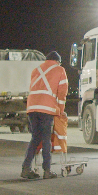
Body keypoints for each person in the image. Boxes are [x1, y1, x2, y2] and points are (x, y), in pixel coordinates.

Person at [22, 51, 68, 179]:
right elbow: (62, 92)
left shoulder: (36, 70)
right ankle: (47, 171)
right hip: (46, 108)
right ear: (58, 61)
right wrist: (60, 110)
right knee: (46, 139)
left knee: (35, 138)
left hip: (31, 107)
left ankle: (26, 168)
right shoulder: (60, 70)